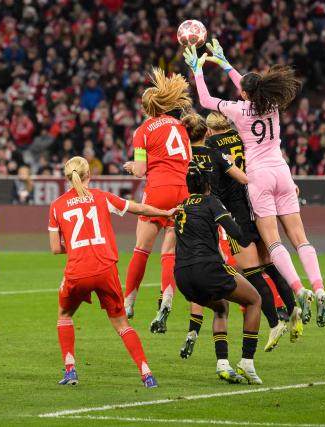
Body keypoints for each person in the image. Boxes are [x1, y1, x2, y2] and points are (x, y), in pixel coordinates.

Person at [184, 39, 325, 328]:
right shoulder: (273, 104)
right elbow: (250, 86)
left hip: (258, 176)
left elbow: (206, 101)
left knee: (273, 241)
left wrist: (197, 70)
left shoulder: (237, 110)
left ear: (245, 93)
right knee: (301, 239)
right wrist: (226, 64)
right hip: (283, 171)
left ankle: (299, 290)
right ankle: (320, 287)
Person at [48, 156, 179, 387]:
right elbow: (138, 208)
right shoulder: (102, 197)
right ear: (89, 174)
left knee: (64, 315)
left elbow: (55, 249)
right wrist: (166, 212)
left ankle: (70, 371)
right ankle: (146, 373)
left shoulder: (57, 206)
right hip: (105, 269)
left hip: (77, 271)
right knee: (122, 325)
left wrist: (78, 244)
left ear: (66, 177)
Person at [178, 113, 293, 358]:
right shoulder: (237, 140)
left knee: (241, 273)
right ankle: (287, 310)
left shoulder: (186, 157)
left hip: (208, 219)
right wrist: (276, 185)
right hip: (243, 206)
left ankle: (272, 320)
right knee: (260, 265)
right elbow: (244, 175)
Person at [174, 162, 262, 384]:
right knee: (254, 300)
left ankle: (222, 363)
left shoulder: (182, 205)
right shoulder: (211, 202)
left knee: (221, 307)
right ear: (208, 183)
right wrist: (250, 233)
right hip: (207, 269)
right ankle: (247, 362)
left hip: (182, 276)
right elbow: (234, 231)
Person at [122, 67, 192, 334]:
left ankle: (128, 304)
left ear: (145, 108)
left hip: (158, 189)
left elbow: (140, 171)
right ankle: (167, 300)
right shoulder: (180, 125)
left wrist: (133, 166)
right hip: (183, 190)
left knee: (141, 248)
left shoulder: (143, 130)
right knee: (169, 252)